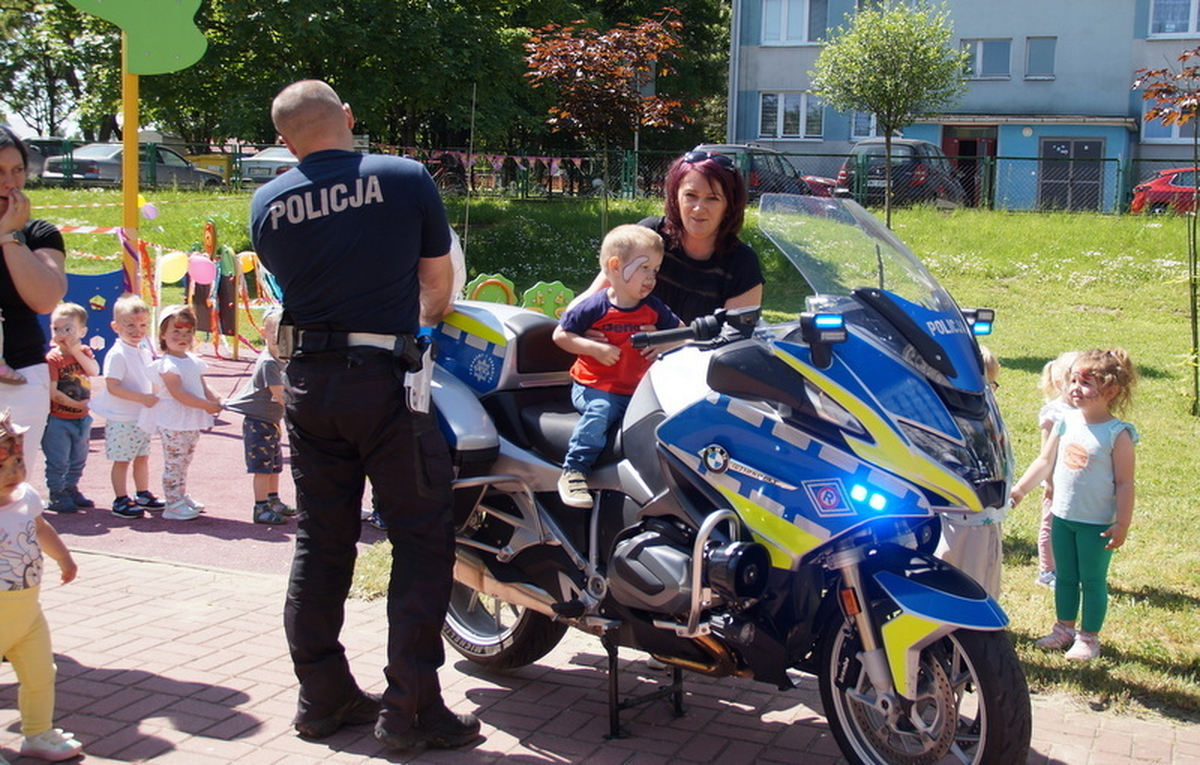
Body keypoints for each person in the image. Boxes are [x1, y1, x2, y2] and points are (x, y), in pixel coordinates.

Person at [250, 79, 478, 750]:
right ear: (348, 117)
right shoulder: (404, 177)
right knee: (420, 538)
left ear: (286, 142)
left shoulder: (267, 201)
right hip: (384, 382)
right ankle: (410, 708)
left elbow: (289, 286)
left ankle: (322, 696)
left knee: (321, 540)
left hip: (308, 385)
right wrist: (421, 323)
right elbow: (437, 284)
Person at [1011, 348, 1138, 661]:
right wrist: (1020, 490)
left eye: (1086, 383)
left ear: (1111, 391)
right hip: (1062, 517)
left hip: (1096, 524)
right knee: (1065, 577)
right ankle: (1063, 629)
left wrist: (1122, 523)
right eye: (1073, 381)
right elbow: (1045, 461)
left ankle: (1089, 638)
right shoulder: (1065, 421)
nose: (1075, 388)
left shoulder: (1117, 435)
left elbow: (1125, 483)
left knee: (1092, 581)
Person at [553, 224, 680, 508]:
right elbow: (561, 335)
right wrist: (594, 348)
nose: (651, 277)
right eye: (644, 268)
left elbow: (682, 333)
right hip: (596, 387)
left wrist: (663, 341)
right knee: (600, 413)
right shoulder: (594, 307)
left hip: (636, 391)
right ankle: (574, 471)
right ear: (615, 266)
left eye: (655, 270)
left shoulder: (654, 308)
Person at [581, 150, 762, 325]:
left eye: (712, 198)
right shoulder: (648, 237)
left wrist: (666, 340)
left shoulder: (743, 264)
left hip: (694, 349)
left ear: (729, 205)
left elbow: (734, 339)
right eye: (691, 195)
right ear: (676, 197)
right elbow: (589, 301)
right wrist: (581, 330)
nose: (699, 208)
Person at [0, 408, 85, 761]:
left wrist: (63, 557)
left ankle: (37, 732)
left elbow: (39, 528)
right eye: (2, 467)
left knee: (40, 673)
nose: (13, 473)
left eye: (18, 462)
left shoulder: (27, 496)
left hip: (27, 612)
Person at [0, 127, 69, 495]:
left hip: (20, 376)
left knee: (10, 494)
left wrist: (9, 237)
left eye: (17, 170)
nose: (11, 183)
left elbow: (45, 299)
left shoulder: (39, 233)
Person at [935, 344, 1006, 597]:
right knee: (948, 567)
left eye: (991, 386)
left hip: (980, 518)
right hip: (951, 514)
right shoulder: (947, 416)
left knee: (979, 580)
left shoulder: (987, 421)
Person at [140, 305, 222, 522]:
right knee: (174, 463)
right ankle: (172, 503)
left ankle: (180, 495)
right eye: (175, 332)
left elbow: (202, 385)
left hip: (191, 420)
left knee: (184, 461)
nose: (182, 337)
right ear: (163, 335)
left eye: (187, 332)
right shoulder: (167, 365)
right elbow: (179, 393)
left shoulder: (193, 361)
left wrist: (215, 398)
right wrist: (205, 405)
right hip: (174, 421)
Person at [90, 295, 166, 519]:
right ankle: (120, 498)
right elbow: (113, 386)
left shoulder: (143, 351)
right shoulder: (117, 354)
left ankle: (142, 493)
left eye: (142, 325)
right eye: (130, 325)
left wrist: (156, 397)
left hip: (141, 417)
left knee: (142, 457)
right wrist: (141, 398)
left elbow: (150, 379)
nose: (137, 330)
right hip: (122, 418)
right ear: (116, 326)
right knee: (122, 460)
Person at [222, 307, 295, 525]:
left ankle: (273, 500)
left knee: (274, 464)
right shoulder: (269, 363)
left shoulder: (283, 359)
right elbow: (279, 395)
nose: (280, 340)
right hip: (258, 422)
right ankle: (260, 507)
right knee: (262, 467)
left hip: (272, 422)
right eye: (275, 334)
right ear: (264, 333)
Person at [42, 302, 100, 514]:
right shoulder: (53, 359)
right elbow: (53, 392)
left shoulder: (84, 352)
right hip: (59, 418)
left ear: (82, 332)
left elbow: (93, 371)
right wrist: (76, 404)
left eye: (68, 329)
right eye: (56, 329)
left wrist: (76, 351)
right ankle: (56, 493)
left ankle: (71, 488)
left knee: (79, 457)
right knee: (58, 459)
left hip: (82, 418)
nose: (61, 334)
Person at [1033, 351, 1079, 589]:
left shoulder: (1084, 410)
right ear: (1061, 383)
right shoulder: (1054, 412)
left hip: (1076, 480)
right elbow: (1046, 453)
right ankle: (1047, 570)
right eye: (1075, 381)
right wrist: (1049, 482)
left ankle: (1069, 567)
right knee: (1050, 524)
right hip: (1055, 479)